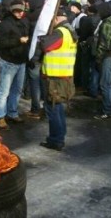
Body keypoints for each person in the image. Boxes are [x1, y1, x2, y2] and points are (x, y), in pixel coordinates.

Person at [37, 8, 78, 151]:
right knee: (58, 109)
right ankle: (60, 136)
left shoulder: (60, 32)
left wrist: (40, 37)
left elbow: (45, 46)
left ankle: (56, 140)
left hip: (55, 78)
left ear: (56, 18)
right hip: (63, 76)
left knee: (53, 109)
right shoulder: (69, 31)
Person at [0, 0, 30, 130]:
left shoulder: (24, 22)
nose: (20, 13)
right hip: (9, 61)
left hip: (21, 61)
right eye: (17, 11)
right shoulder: (5, 24)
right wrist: (18, 41)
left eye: (22, 11)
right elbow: (2, 43)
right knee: (4, 91)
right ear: (12, 11)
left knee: (17, 89)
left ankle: (12, 112)